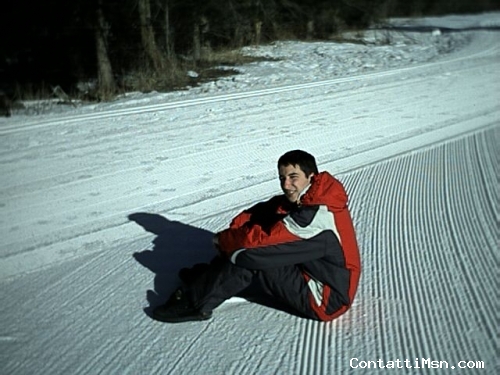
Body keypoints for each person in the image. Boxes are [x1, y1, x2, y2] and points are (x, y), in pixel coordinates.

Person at [153, 150, 361, 323]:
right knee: (251, 237)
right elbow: (266, 210)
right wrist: (237, 228)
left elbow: (257, 243)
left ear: (311, 177)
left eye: (293, 177)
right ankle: (208, 279)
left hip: (325, 298)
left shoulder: (316, 216)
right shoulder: (312, 196)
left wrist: (225, 240)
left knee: (249, 255)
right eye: (282, 178)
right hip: (313, 274)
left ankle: (195, 304)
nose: (286, 184)